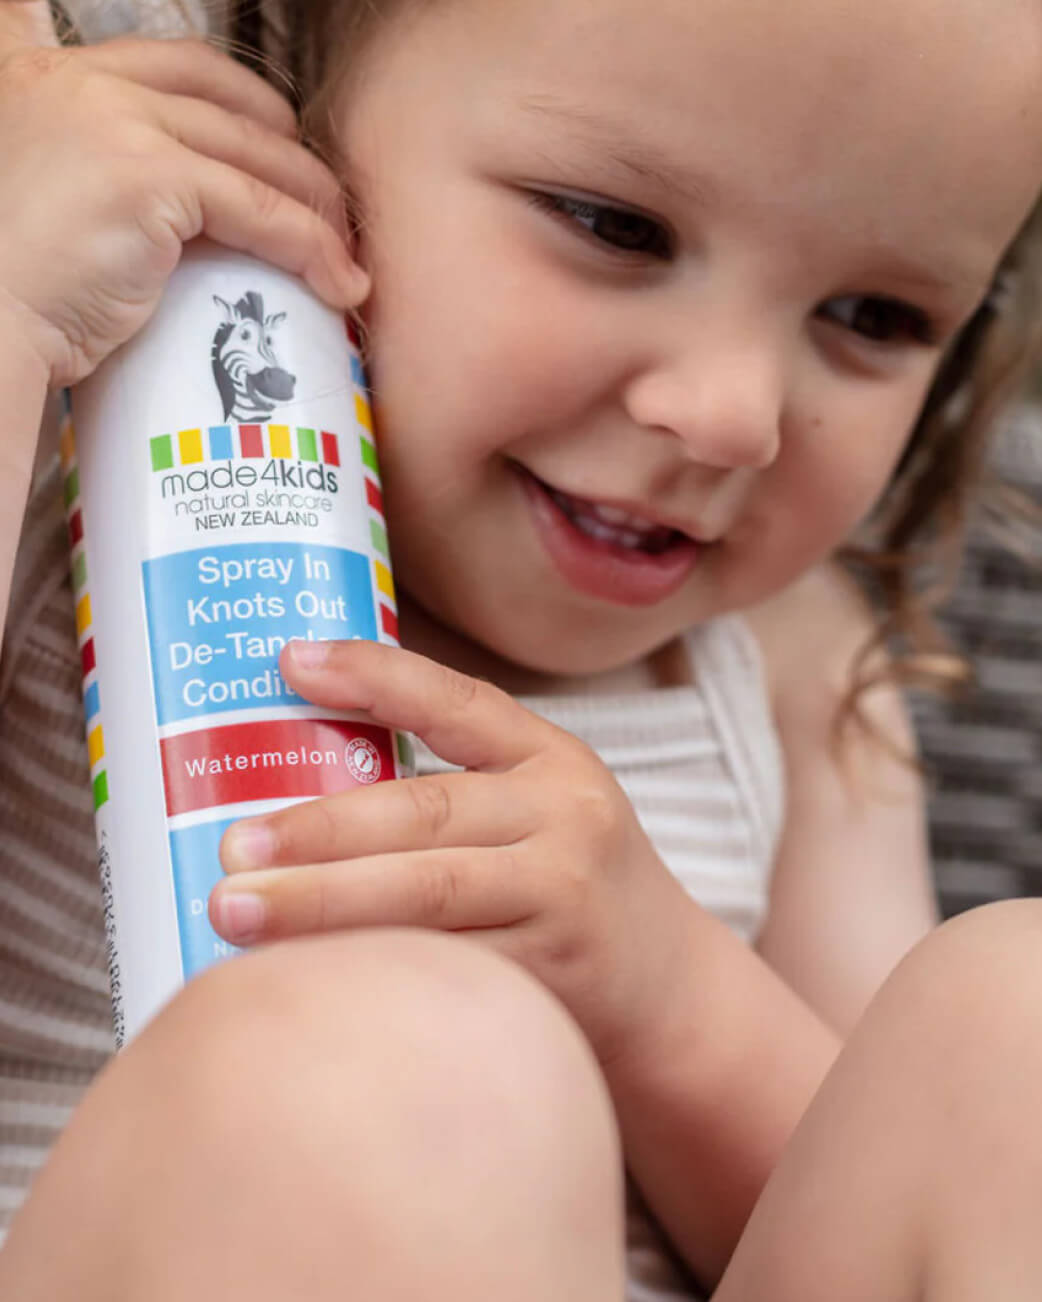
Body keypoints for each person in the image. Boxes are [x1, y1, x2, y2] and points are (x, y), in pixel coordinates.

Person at [0, 0, 1040, 1297]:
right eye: (615, 225)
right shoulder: (68, 493)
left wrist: (660, 986)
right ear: (291, 103)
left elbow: (891, 1201)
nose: (731, 414)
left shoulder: (797, 667)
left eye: (874, 316)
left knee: (1016, 1024)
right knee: (421, 1059)